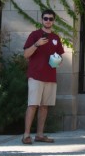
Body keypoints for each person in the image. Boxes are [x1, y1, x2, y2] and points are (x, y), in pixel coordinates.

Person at [22, 9, 64, 144]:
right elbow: (26, 55)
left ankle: (40, 135)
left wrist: (58, 60)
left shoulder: (56, 38)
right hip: (35, 75)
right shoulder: (35, 35)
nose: (48, 21)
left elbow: (60, 57)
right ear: (41, 20)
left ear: (54, 21)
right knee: (32, 105)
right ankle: (26, 135)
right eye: (46, 18)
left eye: (51, 19)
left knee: (45, 106)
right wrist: (36, 44)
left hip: (50, 76)